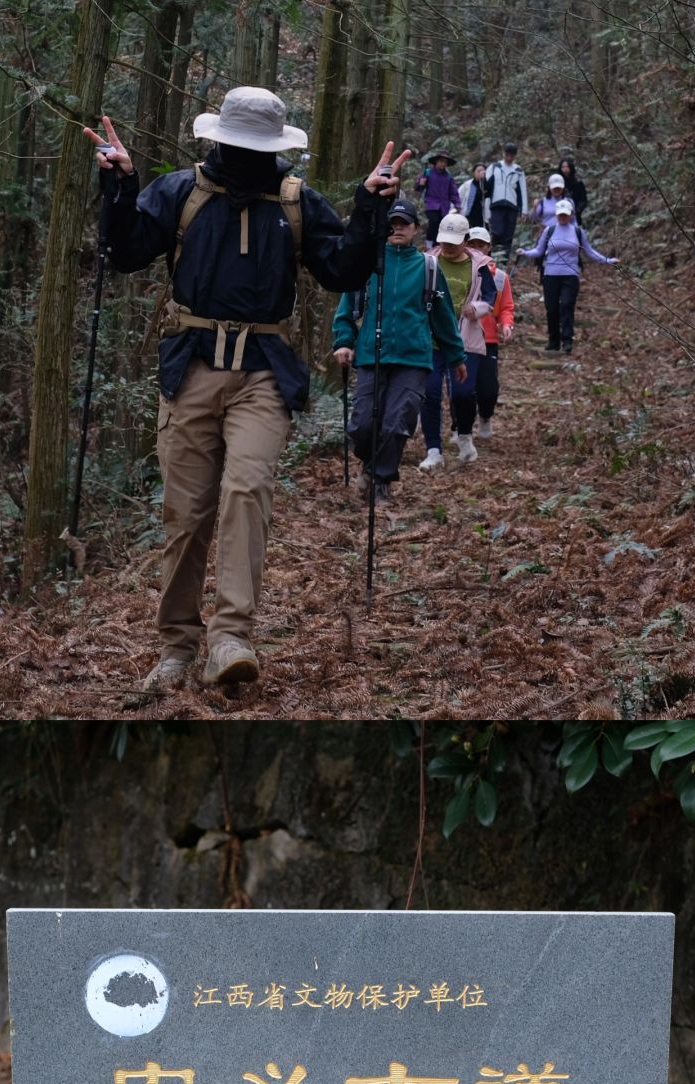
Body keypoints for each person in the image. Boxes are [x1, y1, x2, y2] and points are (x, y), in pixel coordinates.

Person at [84, 89, 407, 692]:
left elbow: (342, 269)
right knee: (185, 514)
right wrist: (121, 185)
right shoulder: (181, 192)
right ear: (219, 139)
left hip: (264, 369)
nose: (245, 155)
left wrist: (367, 207)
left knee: (247, 488)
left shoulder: (295, 202)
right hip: (190, 367)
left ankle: (231, 637)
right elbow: (124, 251)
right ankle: (177, 647)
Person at [331, 198, 466, 505]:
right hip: (370, 354)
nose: (397, 229)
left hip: (413, 358)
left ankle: (381, 480)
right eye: (392, 223)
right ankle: (370, 463)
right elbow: (348, 306)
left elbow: (443, 316)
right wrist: (343, 341)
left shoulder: (428, 267)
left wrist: (456, 356)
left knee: (397, 423)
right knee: (362, 424)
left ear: (415, 229)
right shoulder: (368, 264)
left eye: (404, 224)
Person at [418, 211, 496, 470]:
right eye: (445, 241)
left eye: (454, 241)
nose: (448, 247)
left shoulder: (480, 265)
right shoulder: (428, 261)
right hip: (430, 339)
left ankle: (464, 434)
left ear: (465, 239)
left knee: (463, 394)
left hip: (465, 337)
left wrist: (477, 307)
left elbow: (490, 296)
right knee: (429, 393)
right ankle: (433, 450)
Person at [516, 199, 618, 354]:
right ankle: (553, 340)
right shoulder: (549, 230)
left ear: (570, 215)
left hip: (570, 275)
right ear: (556, 215)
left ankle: (567, 340)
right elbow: (539, 251)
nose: (562, 217)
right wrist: (525, 252)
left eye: (565, 214)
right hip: (550, 275)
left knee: (567, 305)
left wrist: (608, 261)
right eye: (560, 214)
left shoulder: (578, 232)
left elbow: (589, 252)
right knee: (551, 308)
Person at [466, 227, 514, 438]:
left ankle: (485, 415)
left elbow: (505, 308)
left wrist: (506, 325)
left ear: (488, 248)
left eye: (481, 245)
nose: (477, 249)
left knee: (488, 389)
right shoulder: (457, 271)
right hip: (462, 337)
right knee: (462, 388)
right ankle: (461, 427)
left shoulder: (499, 277)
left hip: (488, 339)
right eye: (472, 244)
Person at [485, 141, 528, 256]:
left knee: (508, 235)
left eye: (512, 155)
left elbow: (522, 191)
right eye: (507, 154)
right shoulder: (494, 167)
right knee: (496, 232)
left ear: (515, 156)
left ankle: (504, 260)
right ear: (503, 153)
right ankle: (492, 256)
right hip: (496, 205)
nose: (509, 158)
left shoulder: (518, 170)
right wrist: (486, 209)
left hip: (512, 206)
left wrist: (524, 210)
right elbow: (487, 189)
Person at [414, 150, 461, 248]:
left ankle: (436, 246)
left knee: (441, 226)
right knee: (434, 221)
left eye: (445, 162)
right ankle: (429, 243)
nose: (443, 164)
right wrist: (420, 183)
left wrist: (457, 205)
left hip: (444, 206)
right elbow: (418, 187)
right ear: (436, 162)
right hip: (431, 204)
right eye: (441, 161)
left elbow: (453, 193)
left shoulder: (448, 177)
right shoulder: (428, 173)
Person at [458, 163, 489, 229]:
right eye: (478, 171)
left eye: (483, 171)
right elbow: (458, 197)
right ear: (474, 173)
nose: (481, 173)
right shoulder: (467, 185)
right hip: (469, 216)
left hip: (482, 218)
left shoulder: (487, 185)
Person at [558, 153, 588, 221]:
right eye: (563, 167)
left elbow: (583, 200)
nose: (565, 169)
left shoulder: (578, 183)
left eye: (567, 167)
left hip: (575, 214)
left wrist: (576, 210)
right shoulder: (558, 183)